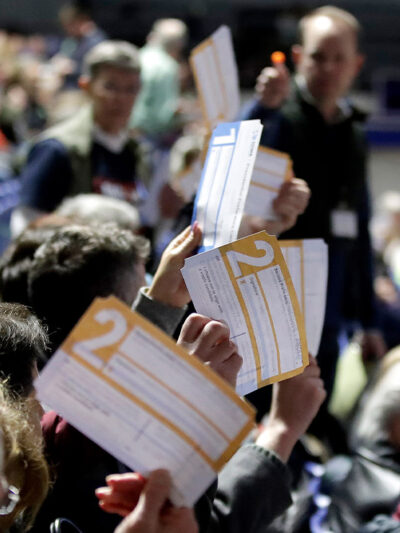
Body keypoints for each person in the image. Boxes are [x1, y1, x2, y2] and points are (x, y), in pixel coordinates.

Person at [241, 6, 386, 414]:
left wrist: (369, 319)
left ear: (356, 64)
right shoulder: (275, 118)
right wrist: (260, 107)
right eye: (319, 56)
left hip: (331, 296)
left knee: (315, 407)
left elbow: (356, 226)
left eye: (339, 58)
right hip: (271, 287)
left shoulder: (354, 133)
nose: (328, 68)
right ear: (299, 56)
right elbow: (232, 160)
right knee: (263, 410)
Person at [11, 40, 149, 237]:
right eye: (110, 87)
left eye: (131, 89)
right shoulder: (57, 148)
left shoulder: (135, 151)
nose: (121, 98)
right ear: (87, 86)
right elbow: (25, 225)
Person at [130, 18, 188, 142]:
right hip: (149, 136)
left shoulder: (138, 57)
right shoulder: (167, 67)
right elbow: (164, 116)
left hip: (128, 130)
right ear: (178, 44)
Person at [55, 1, 107, 89]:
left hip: (85, 88)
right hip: (71, 85)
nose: (67, 31)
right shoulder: (74, 40)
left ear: (81, 21)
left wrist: (72, 69)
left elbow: (97, 71)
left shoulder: (96, 41)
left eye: (69, 26)